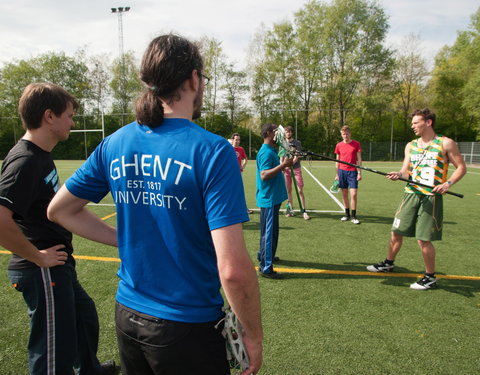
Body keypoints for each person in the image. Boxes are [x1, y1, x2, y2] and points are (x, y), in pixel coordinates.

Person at [47, 34, 263, 375]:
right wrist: (253, 336)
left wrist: (123, 238)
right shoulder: (212, 150)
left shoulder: (115, 142)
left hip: (128, 316)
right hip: (187, 325)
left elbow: (59, 210)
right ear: (194, 79)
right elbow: (233, 270)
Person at [0, 83, 115, 375]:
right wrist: (37, 257)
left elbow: (68, 209)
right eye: (69, 115)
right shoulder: (25, 160)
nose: (72, 122)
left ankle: (88, 369)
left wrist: (121, 239)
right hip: (40, 268)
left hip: (57, 264)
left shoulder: (40, 156)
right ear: (49, 116)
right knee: (53, 348)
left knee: (83, 316)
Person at [367, 108, 466, 290]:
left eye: (415, 123)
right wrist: (398, 174)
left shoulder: (446, 143)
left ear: (428, 122)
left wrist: (448, 183)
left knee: (423, 239)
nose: (412, 126)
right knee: (396, 231)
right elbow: (406, 170)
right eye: (412, 123)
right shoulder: (411, 145)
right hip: (410, 193)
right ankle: (388, 263)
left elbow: (461, 167)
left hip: (431, 198)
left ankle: (430, 277)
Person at [256, 123, 294, 279]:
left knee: (270, 232)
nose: (280, 134)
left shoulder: (271, 150)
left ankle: (265, 255)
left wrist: (284, 164)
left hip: (273, 198)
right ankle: (266, 267)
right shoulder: (266, 152)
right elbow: (264, 175)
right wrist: (283, 165)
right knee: (269, 233)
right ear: (269, 133)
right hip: (269, 199)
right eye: (277, 132)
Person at [281, 126, 310, 220]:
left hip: (296, 169)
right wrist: (282, 165)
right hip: (286, 169)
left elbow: (297, 155)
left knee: (300, 190)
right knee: (288, 190)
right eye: (286, 132)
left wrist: (291, 163)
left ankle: (304, 210)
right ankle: (290, 209)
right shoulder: (282, 142)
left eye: (289, 132)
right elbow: (281, 156)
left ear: (292, 133)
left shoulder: (297, 143)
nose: (288, 134)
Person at [334, 125, 362, 224]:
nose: (345, 136)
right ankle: (347, 214)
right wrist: (337, 174)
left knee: (353, 194)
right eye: (343, 134)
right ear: (341, 135)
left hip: (353, 172)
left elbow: (359, 159)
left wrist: (359, 172)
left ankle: (354, 216)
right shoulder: (338, 145)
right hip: (342, 172)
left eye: (347, 134)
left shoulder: (356, 144)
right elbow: (337, 160)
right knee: (344, 194)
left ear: (350, 134)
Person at [232, 133, 253, 214]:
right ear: (233, 140)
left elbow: (245, 158)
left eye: (239, 140)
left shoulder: (241, 149)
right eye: (236, 139)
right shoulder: (229, 148)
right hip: (230, 174)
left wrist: (243, 165)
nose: (237, 141)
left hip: (238, 173)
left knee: (239, 190)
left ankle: (244, 208)